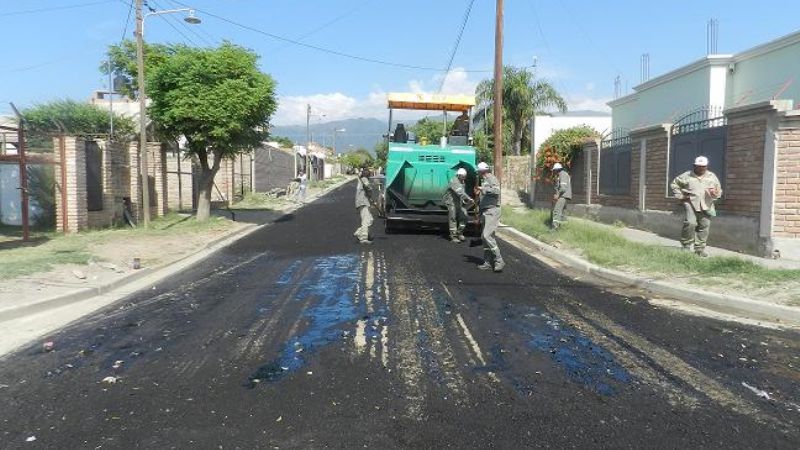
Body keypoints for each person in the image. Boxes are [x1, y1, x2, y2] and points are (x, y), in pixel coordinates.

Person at [669, 156, 722, 257]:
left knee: (704, 226)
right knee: (690, 223)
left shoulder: (712, 176)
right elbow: (674, 184)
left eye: (704, 166)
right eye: (699, 166)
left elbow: (718, 190)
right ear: (694, 166)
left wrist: (715, 193)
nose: (701, 168)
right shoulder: (687, 175)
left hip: (706, 204)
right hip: (690, 203)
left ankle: (700, 249)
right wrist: (681, 196)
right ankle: (686, 246)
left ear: (706, 166)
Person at [476, 162, 504, 272]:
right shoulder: (484, 180)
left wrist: (483, 189)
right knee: (485, 238)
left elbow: (496, 191)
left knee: (487, 236)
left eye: (478, 171)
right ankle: (487, 262)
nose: (477, 173)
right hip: (485, 212)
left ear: (482, 171)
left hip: (492, 211)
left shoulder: (491, 178)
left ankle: (499, 260)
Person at [443, 167, 474, 242]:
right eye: (463, 177)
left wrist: (466, 201)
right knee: (453, 217)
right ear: (458, 175)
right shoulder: (454, 181)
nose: (464, 178)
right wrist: (469, 199)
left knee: (464, 216)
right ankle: (453, 236)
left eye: (465, 177)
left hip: (458, 202)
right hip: (451, 202)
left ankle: (459, 233)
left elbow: (462, 192)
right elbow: (460, 192)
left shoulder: (462, 181)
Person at [354, 168, 374, 245]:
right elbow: (368, 187)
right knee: (366, 220)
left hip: (363, 201)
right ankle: (363, 238)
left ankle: (359, 232)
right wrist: (370, 190)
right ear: (368, 175)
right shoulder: (364, 179)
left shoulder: (361, 179)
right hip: (363, 202)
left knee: (370, 219)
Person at [550, 163, 572, 229]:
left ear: (557, 169)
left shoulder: (562, 174)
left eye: (554, 170)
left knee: (556, 211)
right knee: (562, 212)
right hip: (564, 196)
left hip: (562, 196)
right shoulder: (562, 174)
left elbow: (563, 188)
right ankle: (563, 227)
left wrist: (557, 195)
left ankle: (554, 228)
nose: (554, 172)